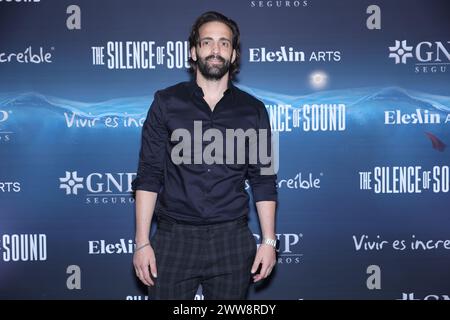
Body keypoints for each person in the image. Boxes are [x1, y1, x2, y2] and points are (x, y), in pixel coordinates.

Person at [132, 11, 278, 300]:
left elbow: (263, 179)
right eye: (207, 42)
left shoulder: (254, 110)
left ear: (234, 54)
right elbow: (149, 175)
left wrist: (269, 241)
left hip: (232, 239)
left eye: (224, 43)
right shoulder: (166, 102)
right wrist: (141, 242)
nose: (215, 49)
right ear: (193, 50)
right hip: (174, 238)